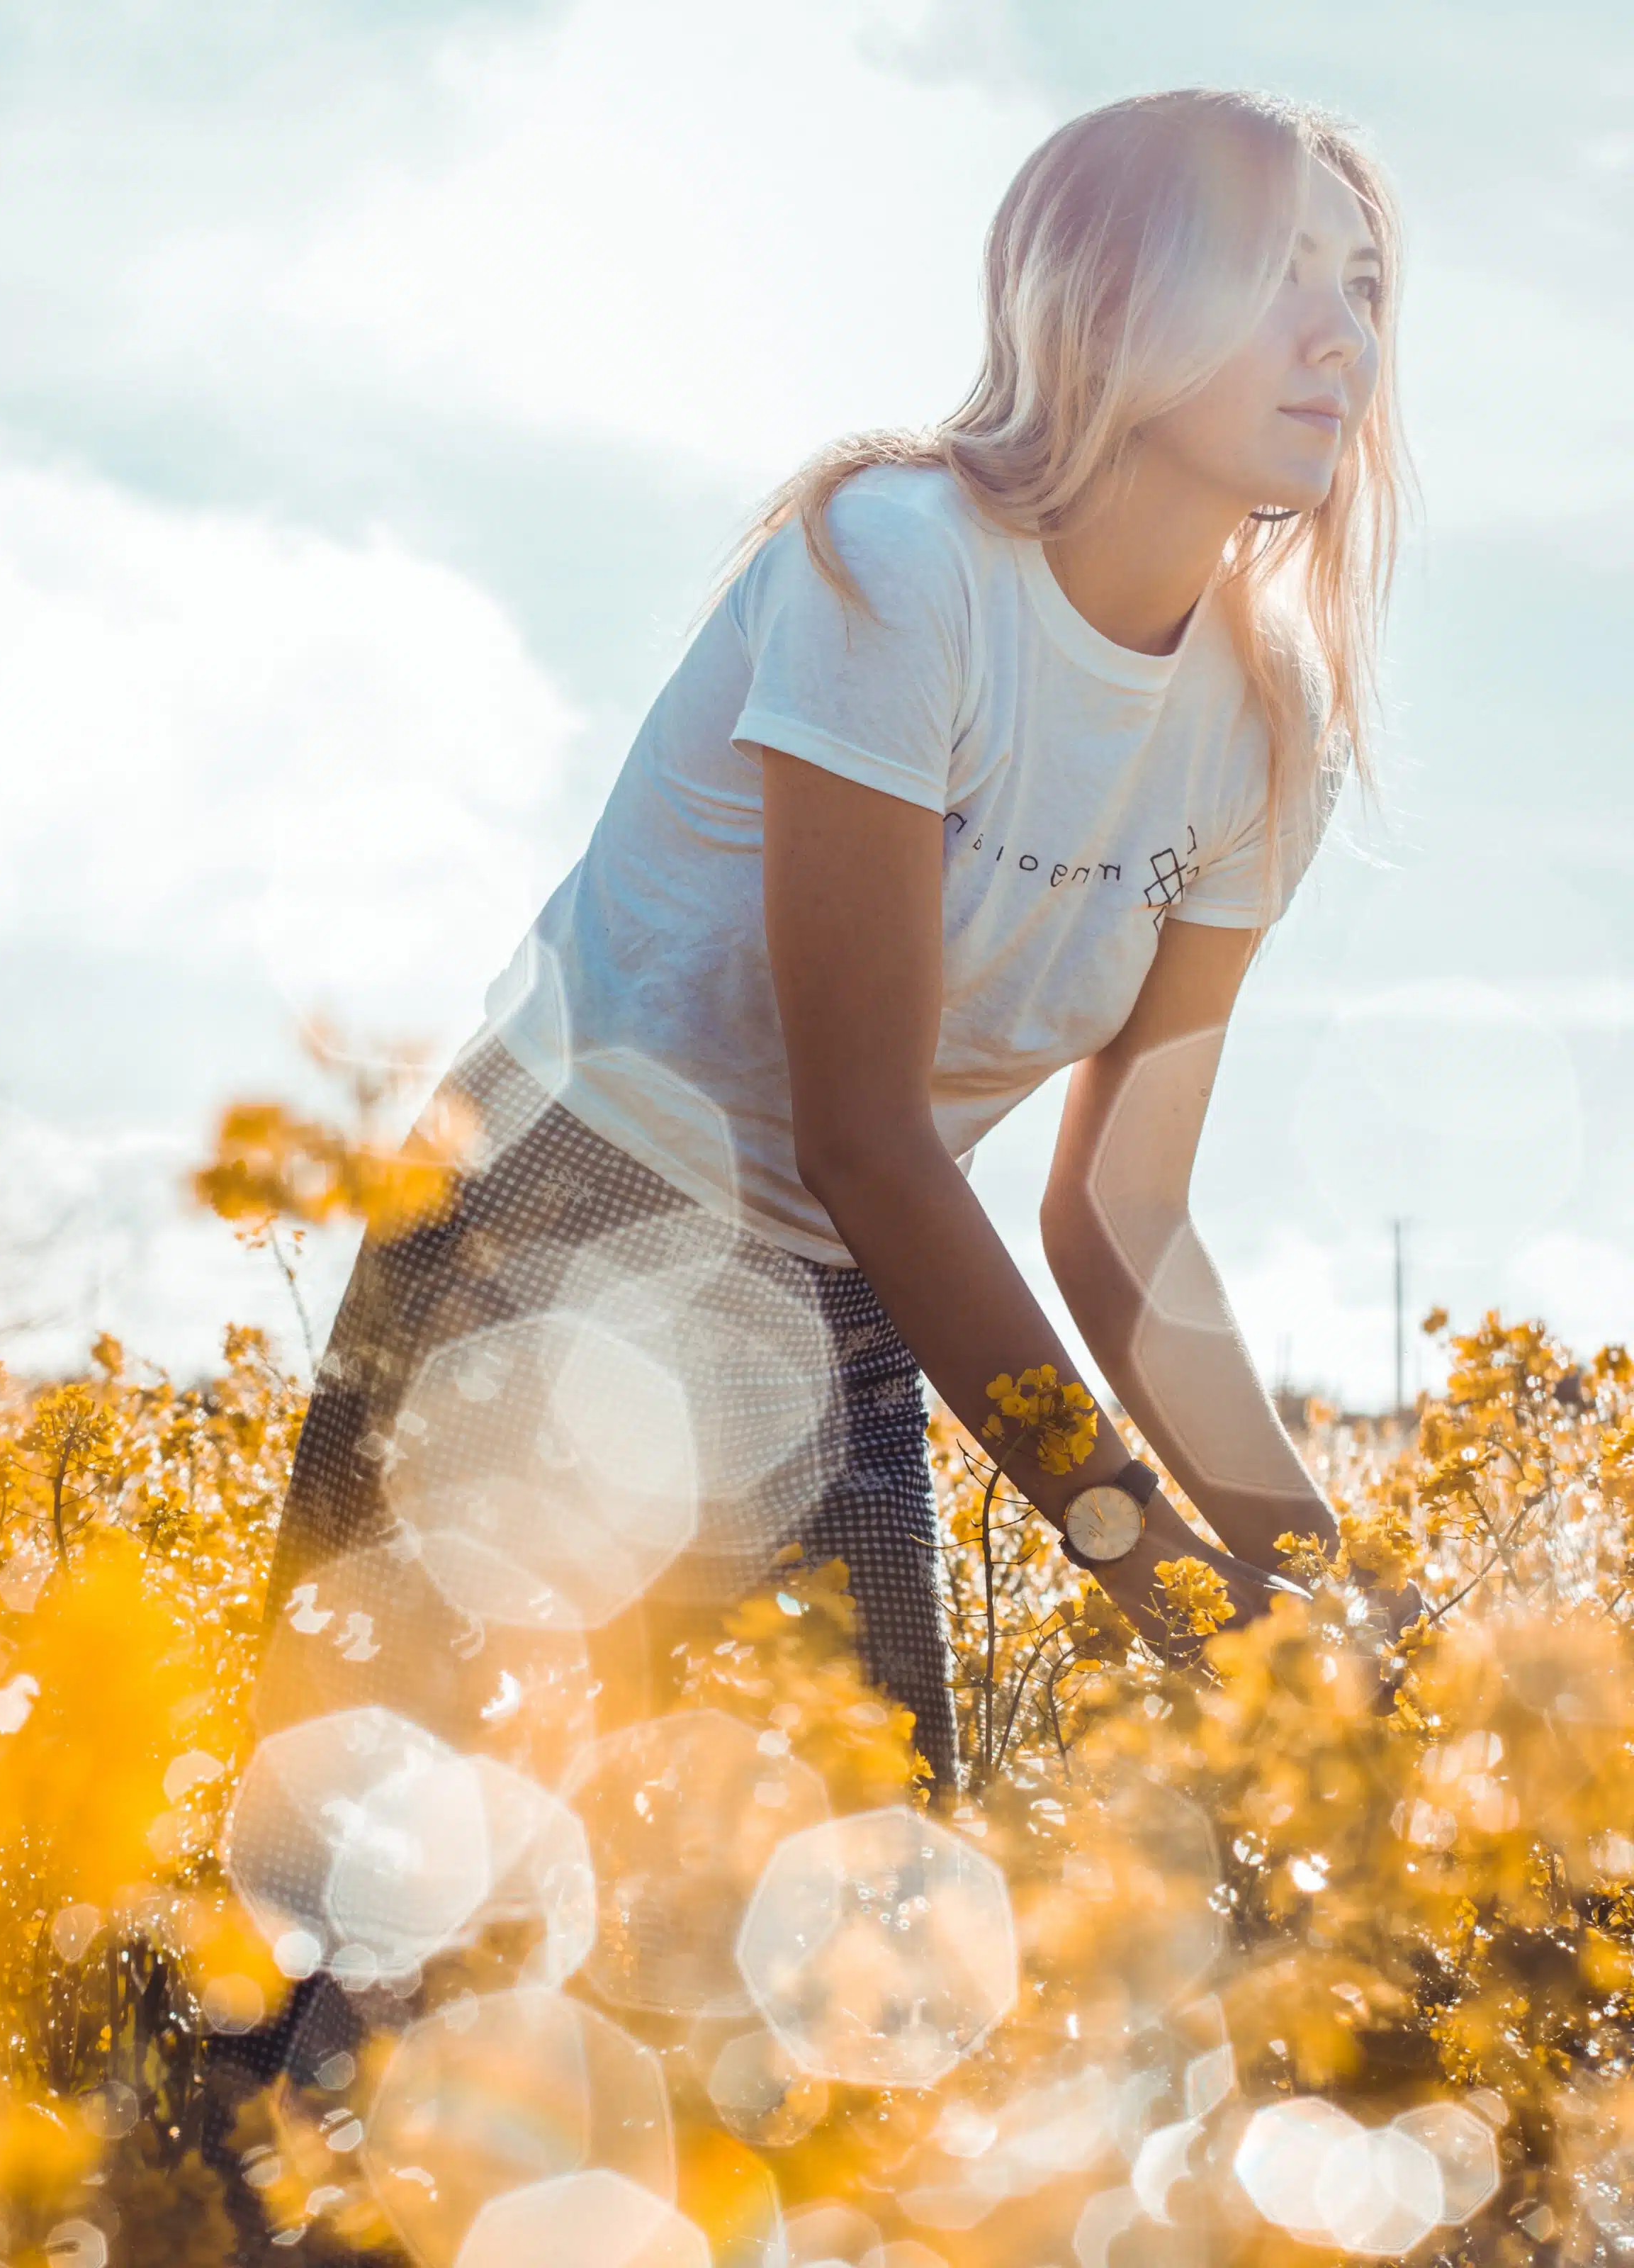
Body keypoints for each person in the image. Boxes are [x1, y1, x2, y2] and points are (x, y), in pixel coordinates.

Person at [260, 84, 1422, 1819]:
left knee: (852, 1984)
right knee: (383, 1976)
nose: (1339, 337)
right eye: (1275, 273)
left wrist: (1325, 1607)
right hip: (540, 1238)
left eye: (1364, 286)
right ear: (1105, 300)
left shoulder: (1269, 723)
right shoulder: (899, 566)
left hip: (840, 1302)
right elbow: (864, 1135)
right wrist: (1147, 1561)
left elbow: (1120, 1216)